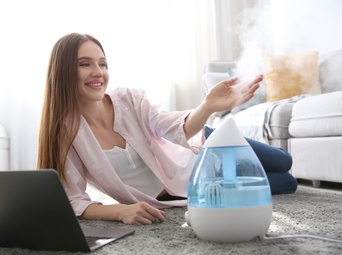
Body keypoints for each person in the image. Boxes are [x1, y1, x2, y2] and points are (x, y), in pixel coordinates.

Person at [37, 33, 297, 225]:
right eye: (85, 64)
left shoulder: (129, 99)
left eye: (103, 64)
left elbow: (173, 128)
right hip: (201, 186)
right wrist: (120, 210)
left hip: (201, 147)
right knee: (287, 182)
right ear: (63, 71)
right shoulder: (67, 134)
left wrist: (207, 106)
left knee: (283, 160)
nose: (98, 72)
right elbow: (74, 200)